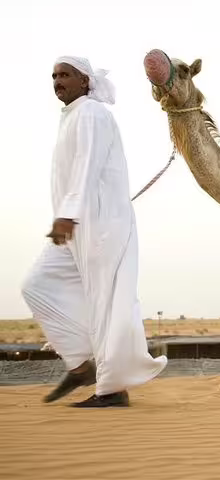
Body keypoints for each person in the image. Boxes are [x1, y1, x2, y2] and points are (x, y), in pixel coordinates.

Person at [21, 56, 167, 408]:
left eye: (65, 74)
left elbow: (88, 163)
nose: (58, 80)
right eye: (54, 75)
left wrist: (67, 215)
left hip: (100, 226)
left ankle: (111, 388)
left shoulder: (91, 113)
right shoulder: (71, 116)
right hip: (74, 228)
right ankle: (80, 363)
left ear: (85, 81)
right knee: (36, 285)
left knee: (106, 304)